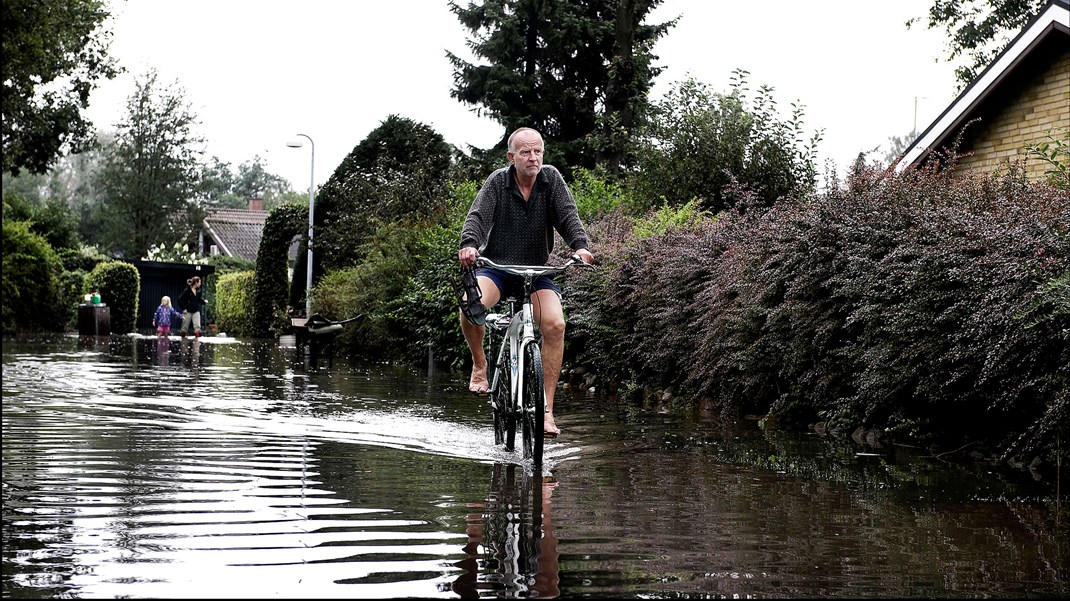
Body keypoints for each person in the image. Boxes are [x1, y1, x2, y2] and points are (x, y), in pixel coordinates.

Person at [458, 127, 594, 437]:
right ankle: (480, 366)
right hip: (497, 269)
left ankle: (546, 410)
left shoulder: (551, 180)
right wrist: (469, 244)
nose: (533, 157)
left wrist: (580, 246)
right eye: (525, 152)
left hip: (536, 271)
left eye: (537, 151)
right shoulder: (497, 182)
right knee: (470, 306)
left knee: (556, 325)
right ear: (512, 157)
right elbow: (478, 216)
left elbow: (568, 216)